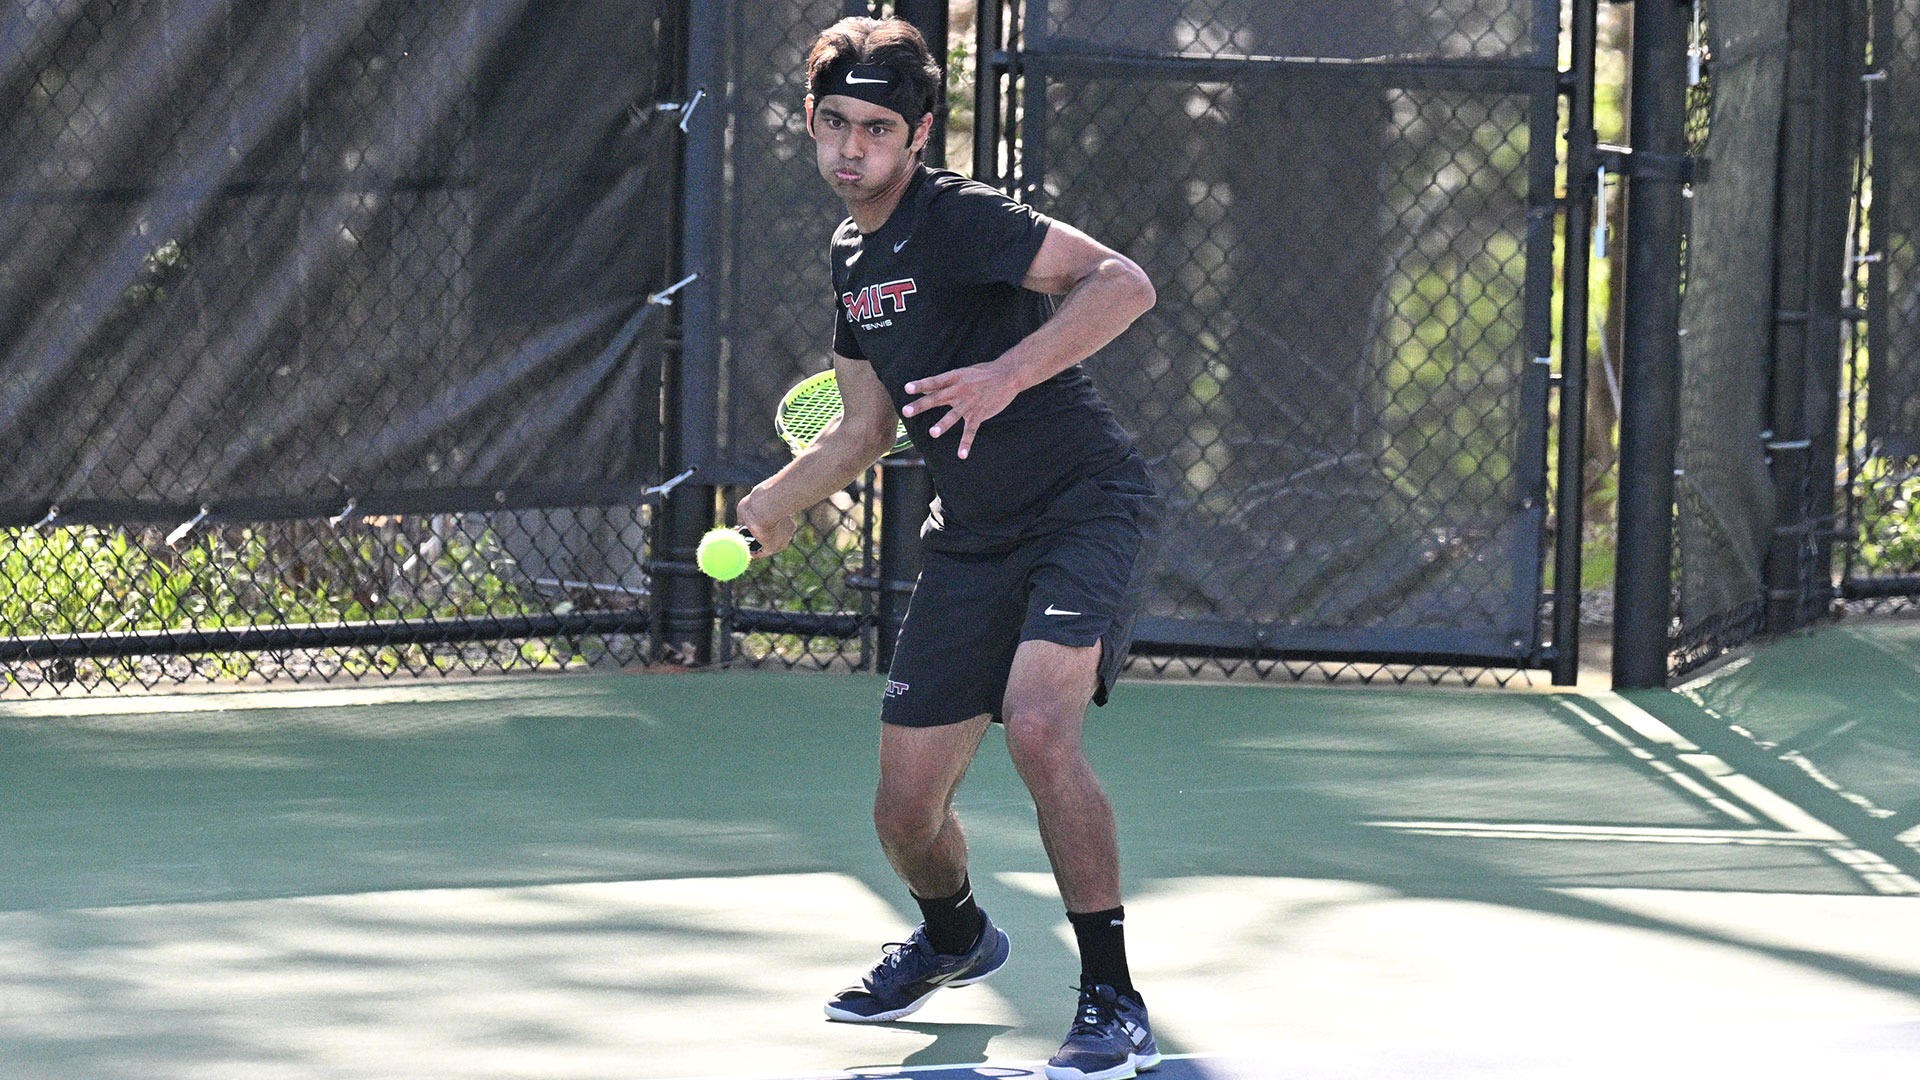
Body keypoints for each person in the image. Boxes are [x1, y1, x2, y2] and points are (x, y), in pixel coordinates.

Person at [734, 16, 1162, 1080]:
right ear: (810, 121)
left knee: (1038, 725)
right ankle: (956, 938)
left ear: (918, 135)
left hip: (1083, 504)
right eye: (834, 124)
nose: (850, 149)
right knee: (904, 811)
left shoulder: (961, 217)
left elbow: (1123, 282)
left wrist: (1005, 374)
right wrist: (778, 501)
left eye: (875, 129)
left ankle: (1111, 995)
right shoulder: (850, 258)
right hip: (971, 540)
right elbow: (862, 428)